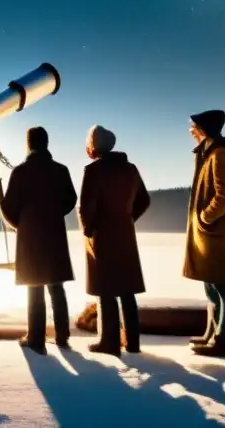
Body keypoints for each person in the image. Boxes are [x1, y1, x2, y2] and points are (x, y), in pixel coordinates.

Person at [0, 126, 78, 355]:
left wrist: (21, 224)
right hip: (54, 233)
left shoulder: (21, 172)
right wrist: (54, 213)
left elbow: (9, 207)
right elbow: (71, 199)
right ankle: (62, 337)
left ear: (29, 144)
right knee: (56, 286)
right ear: (46, 143)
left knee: (34, 288)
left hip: (30, 237)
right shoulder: (60, 170)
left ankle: (36, 339)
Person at [77, 124, 151, 357]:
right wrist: (127, 219)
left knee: (106, 290)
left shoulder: (93, 170)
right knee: (127, 290)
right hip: (125, 234)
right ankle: (133, 343)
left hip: (102, 235)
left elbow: (86, 207)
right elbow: (144, 200)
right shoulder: (131, 169)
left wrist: (89, 230)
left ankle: (109, 342)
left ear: (94, 146)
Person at [183, 109, 225, 357]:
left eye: (193, 127)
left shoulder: (220, 155)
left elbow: (224, 196)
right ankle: (214, 333)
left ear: (203, 129)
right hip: (209, 235)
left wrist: (204, 217)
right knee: (211, 285)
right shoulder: (208, 153)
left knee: (223, 284)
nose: (190, 131)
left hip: (218, 234)